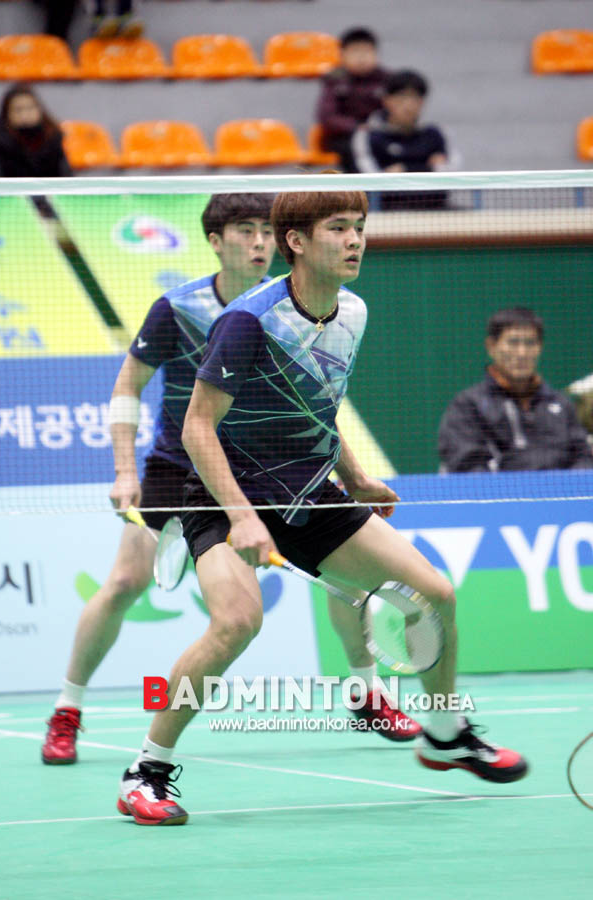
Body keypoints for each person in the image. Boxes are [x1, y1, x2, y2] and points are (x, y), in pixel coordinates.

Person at [117, 188, 528, 826]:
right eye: (338, 228)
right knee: (236, 623)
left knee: (434, 594)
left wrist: (356, 476)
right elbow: (197, 427)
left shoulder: (353, 311)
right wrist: (243, 517)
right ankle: (145, 771)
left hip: (307, 488)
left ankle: (445, 735)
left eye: (359, 226)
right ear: (298, 242)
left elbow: (317, 406)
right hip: (224, 494)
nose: (355, 239)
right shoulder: (248, 321)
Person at [41, 192, 418, 766]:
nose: (259, 242)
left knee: (349, 576)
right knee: (124, 583)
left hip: (272, 467)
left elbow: (312, 403)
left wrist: (355, 474)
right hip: (181, 465)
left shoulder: (302, 308)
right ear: (216, 242)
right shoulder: (179, 308)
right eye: (245, 231)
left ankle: (367, 692)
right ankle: (67, 709)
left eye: (265, 231)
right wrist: (123, 471)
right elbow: (127, 387)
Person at [438, 307, 593, 472]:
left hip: (561, 488)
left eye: (530, 343)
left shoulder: (562, 405)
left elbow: (583, 457)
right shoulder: (468, 406)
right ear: (491, 346)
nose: (522, 353)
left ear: (540, 347)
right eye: (513, 342)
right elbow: (467, 465)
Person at [351, 69, 448, 210]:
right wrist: (427, 168)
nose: (408, 105)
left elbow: (448, 172)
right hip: (382, 211)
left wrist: (404, 169)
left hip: (436, 209)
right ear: (386, 100)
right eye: (401, 98)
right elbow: (372, 179)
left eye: (415, 98)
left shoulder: (435, 134)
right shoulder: (368, 135)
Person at [315, 28, 392, 173]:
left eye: (367, 51)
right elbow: (327, 117)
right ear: (343, 54)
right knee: (353, 149)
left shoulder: (387, 79)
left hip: (379, 134)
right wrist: (356, 127)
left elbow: (395, 112)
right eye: (355, 51)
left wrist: (377, 126)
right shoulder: (334, 79)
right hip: (346, 137)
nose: (361, 58)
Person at [0, 83, 72, 178]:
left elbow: (65, 178)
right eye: (18, 110)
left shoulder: (53, 138)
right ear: (7, 114)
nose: (25, 115)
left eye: (30, 108)